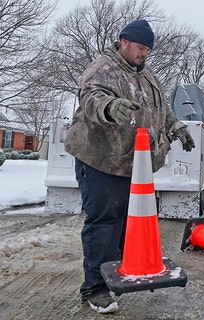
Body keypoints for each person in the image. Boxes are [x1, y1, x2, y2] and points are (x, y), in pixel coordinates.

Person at [64, 19, 195, 314]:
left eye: (148, 49)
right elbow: (91, 96)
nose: (144, 53)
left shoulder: (146, 75)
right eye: (140, 47)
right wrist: (110, 107)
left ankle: (117, 272)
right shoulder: (104, 67)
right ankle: (95, 289)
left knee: (124, 223)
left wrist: (175, 126)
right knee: (104, 223)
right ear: (124, 41)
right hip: (99, 159)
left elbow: (159, 108)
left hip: (131, 164)